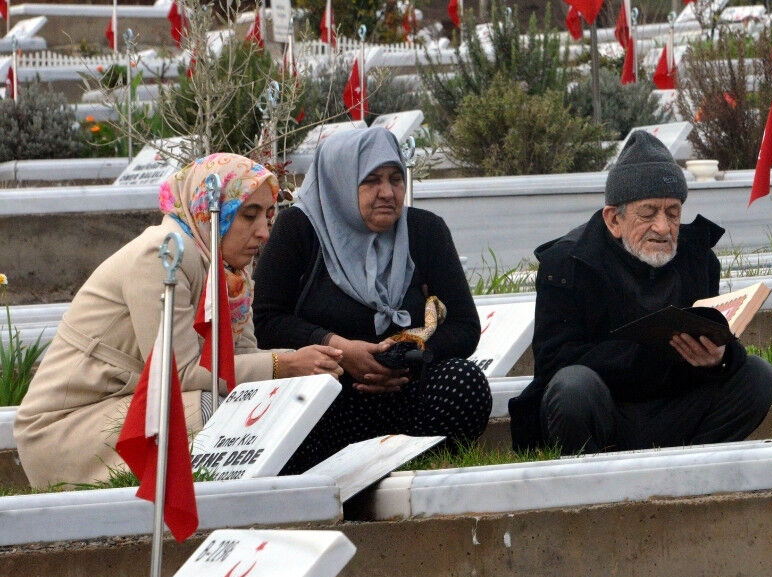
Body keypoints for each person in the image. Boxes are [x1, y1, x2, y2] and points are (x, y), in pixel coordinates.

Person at [15, 154, 341, 490]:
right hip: (66, 429)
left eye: (269, 217)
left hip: (128, 407)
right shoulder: (163, 254)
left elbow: (245, 357)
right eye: (249, 215)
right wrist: (284, 364)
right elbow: (180, 372)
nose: (264, 233)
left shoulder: (231, 273)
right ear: (210, 210)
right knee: (215, 408)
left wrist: (306, 367)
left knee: (275, 400)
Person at [509, 132, 772, 453]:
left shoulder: (698, 258)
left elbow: (711, 334)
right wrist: (645, 352)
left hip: (674, 408)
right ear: (614, 220)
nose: (663, 228)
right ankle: (596, 480)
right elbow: (554, 365)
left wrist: (719, 358)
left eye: (673, 213)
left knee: (758, 376)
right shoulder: (568, 263)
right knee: (573, 388)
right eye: (648, 213)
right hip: (604, 409)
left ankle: (690, 467)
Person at [253, 127, 491, 473]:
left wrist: (410, 357)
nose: (388, 193)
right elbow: (268, 321)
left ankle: (415, 466)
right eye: (371, 180)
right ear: (340, 180)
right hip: (330, 397)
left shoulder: (424, 231)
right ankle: (328, 475)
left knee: (465, 383)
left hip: (404, 392)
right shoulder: (300, 229)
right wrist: (339, 350)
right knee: (297, 408)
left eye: (396, 179)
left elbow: (464, 326)